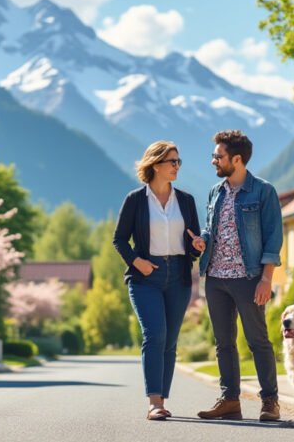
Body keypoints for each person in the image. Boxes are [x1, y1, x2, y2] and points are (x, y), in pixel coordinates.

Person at [190, 129, 283, 422]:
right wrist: (202, 240)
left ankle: (270, 402)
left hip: (248, 277)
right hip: (215, 277)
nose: (213, 161)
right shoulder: (215, 192)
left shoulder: (263, 191)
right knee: (224, 343)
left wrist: (266, 279)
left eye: (218, 156)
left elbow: (273, 237)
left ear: (237, 159)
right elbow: (212, 228)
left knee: (258, 341)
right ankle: (230, 400)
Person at [112, 141, 205, 421]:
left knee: (170, 342)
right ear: (155, 165)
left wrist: (198, 246)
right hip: (146, 276)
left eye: (178, 162)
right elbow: (119, 239)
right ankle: (154, 403)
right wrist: (136, 261)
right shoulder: (135, 200)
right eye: (172, 162)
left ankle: (162, 399)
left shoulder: (186, 201)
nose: (177, 166)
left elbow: (192, 241)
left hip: (178, 274)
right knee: (155, 336)